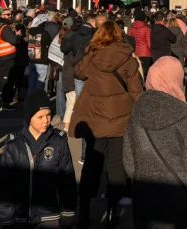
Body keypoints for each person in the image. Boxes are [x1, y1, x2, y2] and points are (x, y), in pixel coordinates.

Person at [124, 57, 187, 229]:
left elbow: (129, 164)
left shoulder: (136, 109)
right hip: (184, 204)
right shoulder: (185, 115)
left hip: (145, 202)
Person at [71, 20, 143, 228]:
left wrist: (90, 51)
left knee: (92, 165)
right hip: (120, 118)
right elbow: (136, 91)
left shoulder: (92, 55)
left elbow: (78, 73)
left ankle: (84, 209)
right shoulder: (128, 59)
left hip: (94, 118)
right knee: (116, 168)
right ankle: (112, 211)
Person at [0, 90, 77, 227]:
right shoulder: (14, 146)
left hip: (50, 216)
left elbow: (67, 180)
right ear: (29, 118)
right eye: (40, 117)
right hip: (21, 217)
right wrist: (6, 217)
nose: (46, 120)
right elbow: (5, 186)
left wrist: (68, 211)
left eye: (48, 115)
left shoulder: (59, 143)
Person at [0, 12, 21, 109]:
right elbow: (13, 40)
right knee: (7, 80)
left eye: (10, 14)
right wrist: (17, 35)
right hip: (7, 57)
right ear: (1, 16)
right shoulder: (4, 27)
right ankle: (5, 102)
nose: (10, 16)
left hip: (0, 57)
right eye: (7, 14)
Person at [129, 8, 153, 75]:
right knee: (145, 73)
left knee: (137, 74)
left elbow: (129, 40)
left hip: (135, 53)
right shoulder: (147, 28)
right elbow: (149, 43)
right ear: (143, 18)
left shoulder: (131, 28)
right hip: (145, 53)